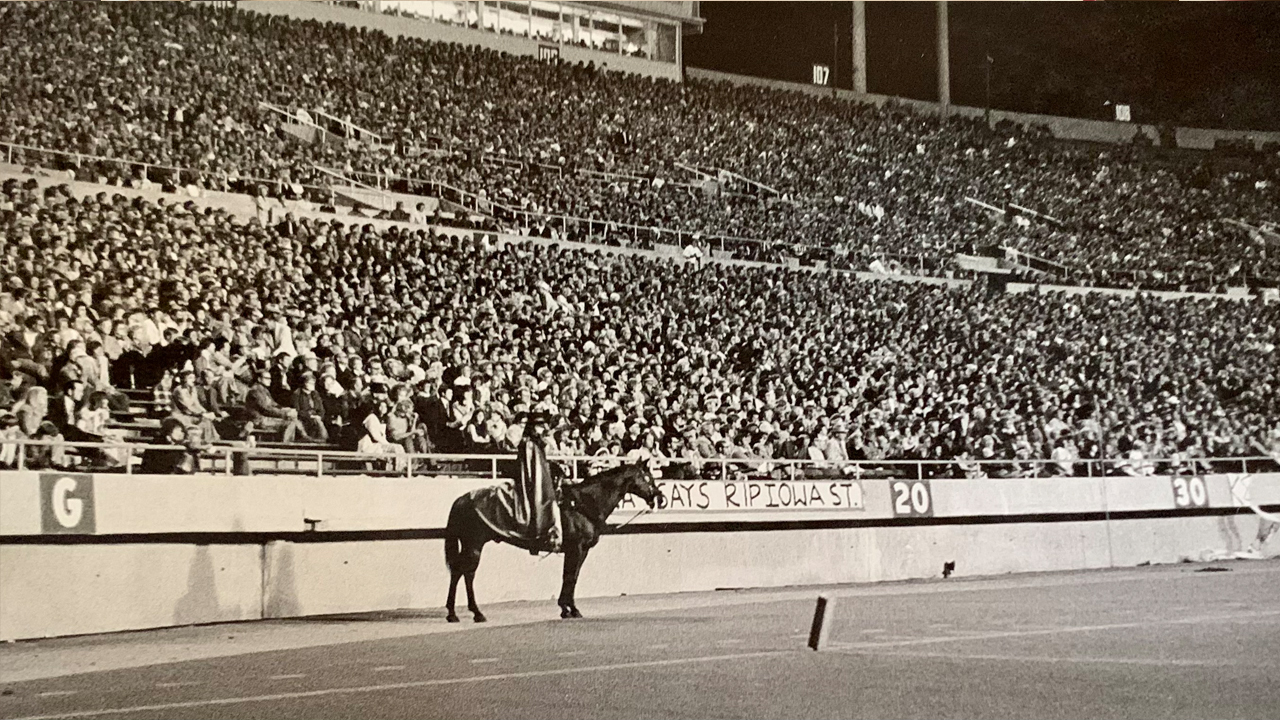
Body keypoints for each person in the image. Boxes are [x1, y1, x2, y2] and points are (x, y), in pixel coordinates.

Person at [514, 411, 562, 553]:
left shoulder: (537, 443)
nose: (542, 428)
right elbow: (532, 468)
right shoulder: (529, 444)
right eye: (539, 426)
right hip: (532, 481)